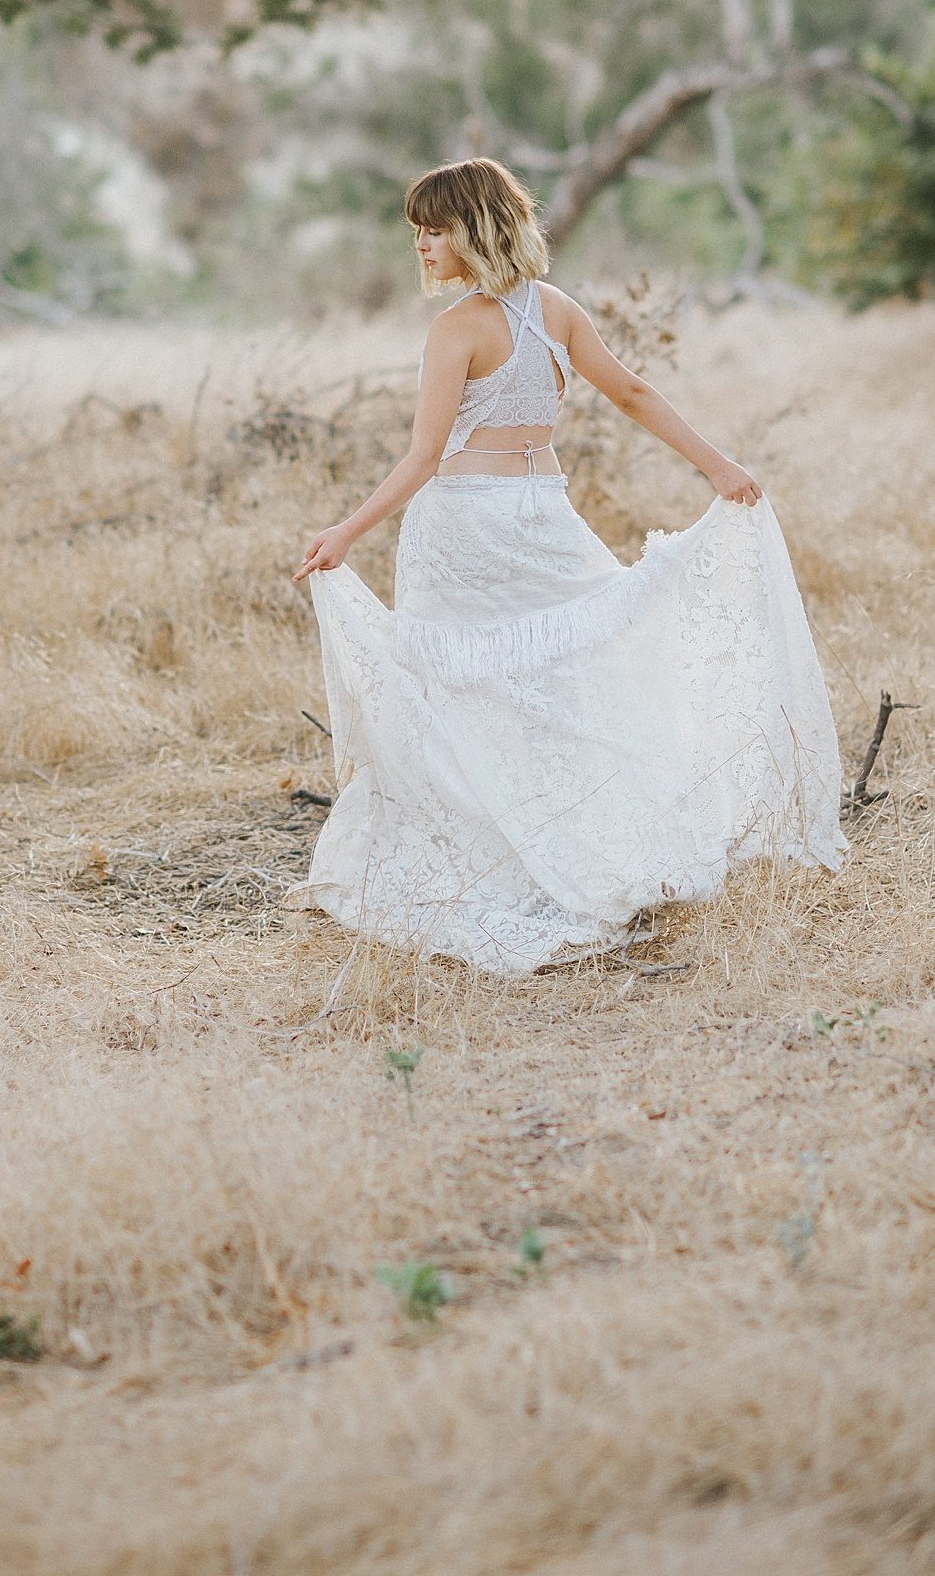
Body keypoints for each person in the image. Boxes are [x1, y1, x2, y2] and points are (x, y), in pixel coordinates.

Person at [288, 156, 848, 976]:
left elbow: (422, 457)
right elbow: (635, 394)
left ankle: (508, 860)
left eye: (434, 228)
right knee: (568, 682)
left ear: (474, 228)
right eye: (417, 230)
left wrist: (346, 530)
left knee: (466, 696)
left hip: (468, 533)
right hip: (541, 515)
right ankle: (553, 844)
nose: (421, 245)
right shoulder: (556, 311)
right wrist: (718, 464)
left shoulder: (458, 328)